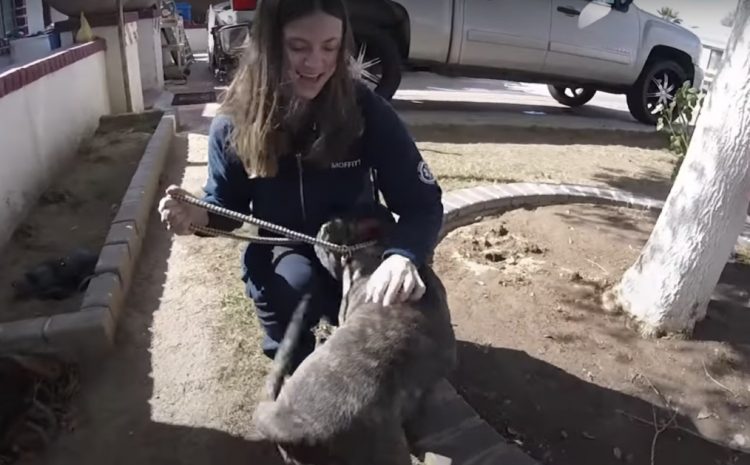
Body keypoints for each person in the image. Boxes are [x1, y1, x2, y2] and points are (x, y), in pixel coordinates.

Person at [157, 0, 444, 369]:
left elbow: (422, 202)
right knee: (293, 289)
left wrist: (403, 257)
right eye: (298, 47)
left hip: (359, 244)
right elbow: (225, 206)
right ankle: (291, 363)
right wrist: (197, 215)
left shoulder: (365, 111)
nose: (315, 63)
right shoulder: (233, 124)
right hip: (286, 251)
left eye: (329, 47)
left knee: (399, 309)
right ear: (269, 44)